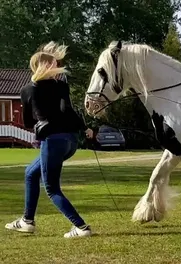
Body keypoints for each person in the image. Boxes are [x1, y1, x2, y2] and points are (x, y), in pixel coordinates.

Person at [5, 41, 94, 238]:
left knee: (52, 189)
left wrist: (39, 115)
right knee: (30, 173)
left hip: (52, 142)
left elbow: (28, 121)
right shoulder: (61, 85)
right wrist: (85, 128)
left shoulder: (28, 90)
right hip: (69, 142)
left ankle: (81, 227)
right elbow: (67, 111)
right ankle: (27, 221)